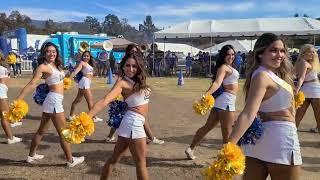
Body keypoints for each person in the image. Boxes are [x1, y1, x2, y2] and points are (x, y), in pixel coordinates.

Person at [228, 33, 301, 180]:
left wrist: (269, 114)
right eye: (273, 50)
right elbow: (248, 113)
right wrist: (229, 146)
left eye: (282, 51)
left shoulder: (267, 75)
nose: (279, 55)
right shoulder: (262, 76)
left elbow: (256, 110)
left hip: (259, 144)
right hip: (280, 142)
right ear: (260, 53)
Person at [16, 42, 84, 167]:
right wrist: (18, 99)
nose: (51, 53)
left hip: (52, 100)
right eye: (48, 51)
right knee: (63, 132)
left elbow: (60, 79)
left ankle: (31, 156)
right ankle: (71, 160)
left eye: (53, 51)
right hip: (54, 101)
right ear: (44, 53)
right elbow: (32, 84)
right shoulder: (43, 66)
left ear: (56, 53)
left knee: (41, 131)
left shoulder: (56, 65)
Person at [88, 52, 150, 180]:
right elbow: (105, 100)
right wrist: (86, 117)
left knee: (114, 159)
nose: (130, 69)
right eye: (127, 65)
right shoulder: (122, 83)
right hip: (134, 124)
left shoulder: (138, 80)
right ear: (123, 66)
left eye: (134, 66)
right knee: (141, 164)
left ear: (139, 67)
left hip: (130, 123)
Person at [185, 45, 239, 160]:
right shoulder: (224, 67)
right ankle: (225, 162)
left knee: (208, 127)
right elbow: (217, 83)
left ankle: (190, 148)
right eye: (228, 54)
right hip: (227, 102)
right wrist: (207, 94)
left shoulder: (227, 67)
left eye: (233, 54)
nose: (231, 57)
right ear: (223, 55)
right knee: (227, 133)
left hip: (221, 101)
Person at [105, 44, 164, 145]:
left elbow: (142, 84)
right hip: (124, 96)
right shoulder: (126, 68)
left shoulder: (138, 68)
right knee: (120, 117)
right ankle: (150, 138)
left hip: (137, 99)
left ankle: (148, 137)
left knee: (130, 117)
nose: (134, 53)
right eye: (132, 51)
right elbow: (119, 81)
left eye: (136, 51)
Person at [67, 50, 103, 122]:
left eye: (87, 56)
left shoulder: (88, 64)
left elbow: (92, 73)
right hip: (84, 83)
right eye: (84, 56)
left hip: (85, 82)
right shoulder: (82, 63)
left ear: (90, 57)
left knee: (78, 100)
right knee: (90, 100)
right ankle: (94, 117)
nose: (86, 57)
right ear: (82, 56)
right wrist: (70, 76)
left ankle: (71, 115)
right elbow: (76, 71)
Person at [293, 44, 320, 133]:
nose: (313, 54)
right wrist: (296, 90)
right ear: (304, 52)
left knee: (299, 115)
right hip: (314, 91)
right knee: (318, 115)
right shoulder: (304, 63)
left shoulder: (301, 62)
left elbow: (295, 75)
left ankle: (291, 132)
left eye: (314, 52)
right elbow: (301, 78)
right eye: (310, 52)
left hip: (307, 91)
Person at [0, 51, 22, 144]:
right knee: (4, 115)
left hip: (2, 91)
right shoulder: (1, 68)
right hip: (1, 92)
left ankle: (12, 122)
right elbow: (3, 80)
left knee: (4, 113)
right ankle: (10, 138)